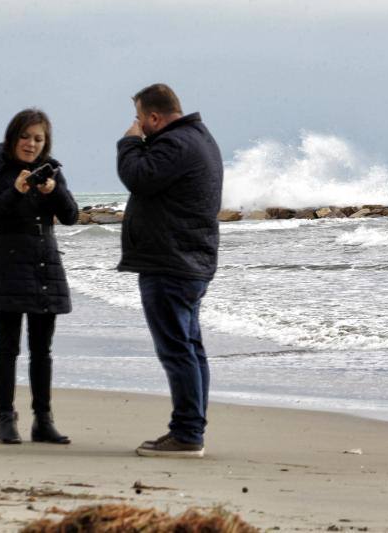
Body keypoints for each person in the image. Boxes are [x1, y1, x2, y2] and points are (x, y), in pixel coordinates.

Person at [116, 83, 223, 458]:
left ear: (154, 117)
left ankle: (188, 434)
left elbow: (138, 177)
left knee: (178, 350)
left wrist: (128, 142)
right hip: (189, 261)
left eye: (141, 120)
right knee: (190, 348)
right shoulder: (198, 138)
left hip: (171, 263)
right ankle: (190, 429)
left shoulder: (176, 144)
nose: (139, 126)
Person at [0, 109, 79, 445]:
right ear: (12, 136)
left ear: (45, 143)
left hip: (44, 262)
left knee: (41, 349)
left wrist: (53, 192)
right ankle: (6, 418)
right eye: (25, 137)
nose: (31, 144)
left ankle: (43, 420)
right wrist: (15, 191)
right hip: (7, 260)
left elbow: (72, 216)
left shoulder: (52, 173)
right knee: (7, 347)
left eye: (38, 139)